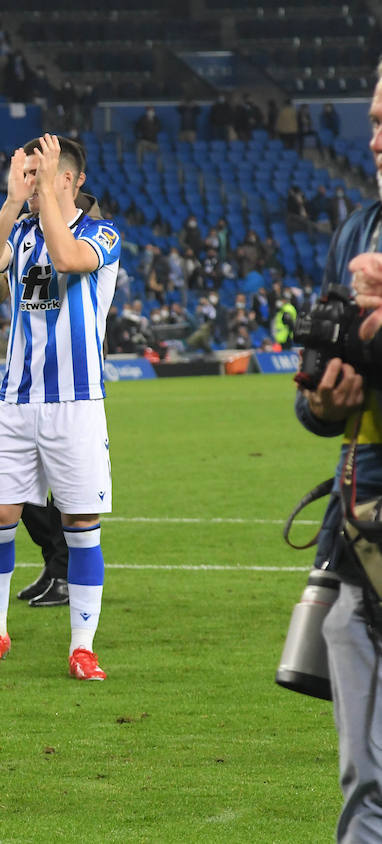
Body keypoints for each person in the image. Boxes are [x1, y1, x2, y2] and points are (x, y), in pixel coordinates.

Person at [0, 134, 119, 680]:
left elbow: (68, 257)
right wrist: (12, 203)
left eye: (41, 172)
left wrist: (45, 204)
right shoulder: (24, 228)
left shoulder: (102, 233)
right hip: (15, 400)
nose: (31, 182)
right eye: (25, 173)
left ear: (71, 180)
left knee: (80, 522)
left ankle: (82, 647)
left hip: (77, 403)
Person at [304, 62, 382, 840]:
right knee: (365, 775)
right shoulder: (358, 231)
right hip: (361, 528)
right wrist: (324, 399)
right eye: (374, 119)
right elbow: (313, 392)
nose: (376, 138)